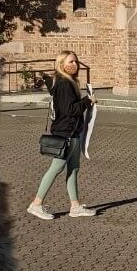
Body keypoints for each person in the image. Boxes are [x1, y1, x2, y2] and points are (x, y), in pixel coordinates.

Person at [27, 50, 96, 220]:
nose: (75, 64)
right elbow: (70, 110)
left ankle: (75, 206)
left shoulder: (68, 82)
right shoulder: (64, 84)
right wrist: (88, 100)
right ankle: (36, 204)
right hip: (66, 133)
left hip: (73, 132)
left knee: (74, 168)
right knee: (56, 168)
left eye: (76, 61)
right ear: (61, 64)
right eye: (70, 62)